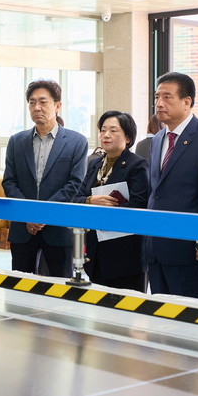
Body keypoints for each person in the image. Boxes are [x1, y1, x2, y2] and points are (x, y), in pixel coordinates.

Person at [146, 72, 198, 301]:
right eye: (157, 97)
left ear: (186, 102)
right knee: (161, 315)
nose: (159, 103)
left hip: (192, 251)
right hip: (156, 247)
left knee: (193, 316)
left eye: (167, 97)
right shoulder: (157, 139)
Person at [2, 80, 88, 277]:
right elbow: (9, 182)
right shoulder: (16, 141)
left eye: (43, 102)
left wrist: (42, 214)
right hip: (23, 228)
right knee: (20, 285)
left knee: (61, 285)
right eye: (32, 102)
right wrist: (28, 215)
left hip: (58, 228)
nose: (37, 107)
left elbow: (75, 183)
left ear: (57, 106)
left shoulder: (76, 142)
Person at [73, 111, 148, 290]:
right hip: (96, 249)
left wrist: (108, 212)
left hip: (125, 252)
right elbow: (76, 197)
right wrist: (90, 200)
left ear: (128, 138)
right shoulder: (95, 164)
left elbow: (139, 204)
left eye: (113, 130)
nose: (106, 135)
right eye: (103, 130)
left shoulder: (137, 165)